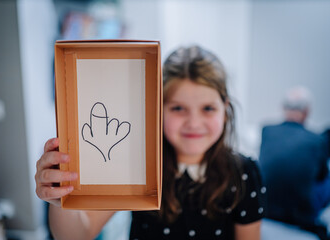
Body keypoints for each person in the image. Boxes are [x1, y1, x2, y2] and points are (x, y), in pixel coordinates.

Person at [35, 46, 266, 240]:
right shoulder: (136, 164)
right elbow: (78, 234)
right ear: (157, 110)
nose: (194, 123)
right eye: (178, 108)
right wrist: (61, 198)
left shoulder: (244, 172)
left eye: (208, 109)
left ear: (225, 111)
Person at [259, 86, 329, 240]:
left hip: (265, 208)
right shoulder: (316, 141)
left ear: (283, 107)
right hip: (300, 217)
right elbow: (321, 176)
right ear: (307, 111)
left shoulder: (266, 130)